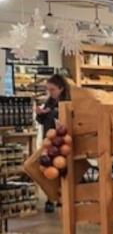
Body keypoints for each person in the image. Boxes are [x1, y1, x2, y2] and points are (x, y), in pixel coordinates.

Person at [35, 74, 70, 213]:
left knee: (61, 169)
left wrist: (51, 113)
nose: (50, 92)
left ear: (61, 88)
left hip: (61, 141)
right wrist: (40, 114)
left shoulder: (67, 101)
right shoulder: (50, 101)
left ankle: (62, 197)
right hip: (49, 139)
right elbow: (42, 121)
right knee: (47, 169)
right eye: (48, 90)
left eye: (53, 89)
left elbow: (67, 118)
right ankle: (50, 198)